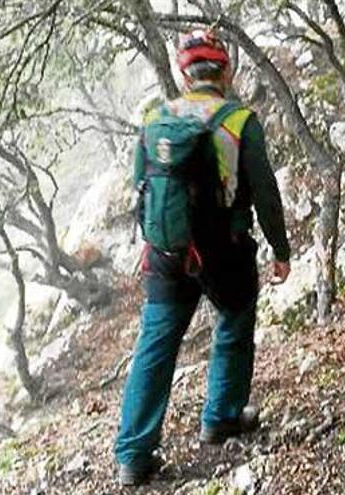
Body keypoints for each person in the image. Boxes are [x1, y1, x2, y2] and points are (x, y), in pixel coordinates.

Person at [114, 30, 292, 486]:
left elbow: (140, 185)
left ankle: (134, 455)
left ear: (183, 72)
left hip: (166, 253)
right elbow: (265, 193)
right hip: (222, 250)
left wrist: (152, 240)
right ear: (226, 70)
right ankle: (221, 416)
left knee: (155, 345)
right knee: (233, 322)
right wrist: (280, 250)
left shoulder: (156, 119)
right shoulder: (238, 120)